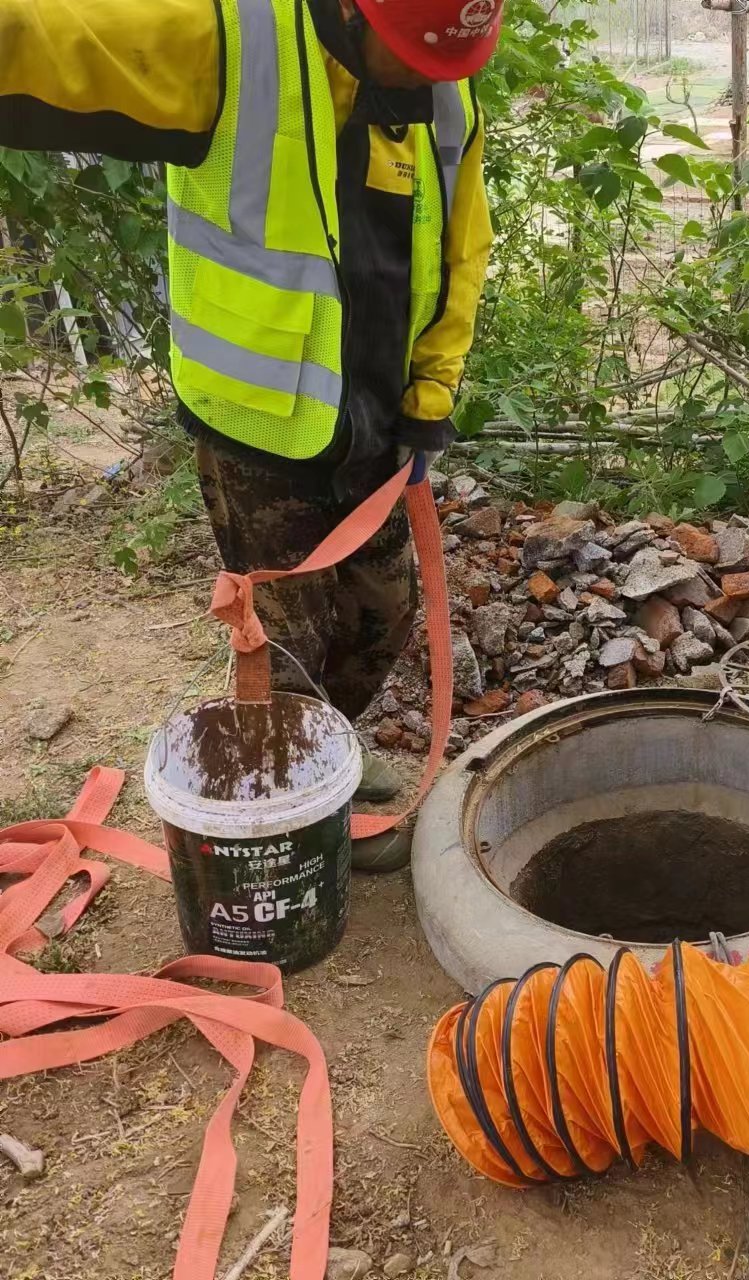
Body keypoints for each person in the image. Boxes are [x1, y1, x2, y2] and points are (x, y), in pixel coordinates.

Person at [0, 0, 500, 871]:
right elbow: (48, 42)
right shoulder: (231, 44)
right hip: (257, 426)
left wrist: (432, 392)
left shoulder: (443, 91)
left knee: (380, 616)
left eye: (443, 60)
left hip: (377, 427)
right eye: (410, 54)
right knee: (284, 642)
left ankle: (322, 759)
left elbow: (463, 250)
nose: (427, 79)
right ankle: (284, 830)